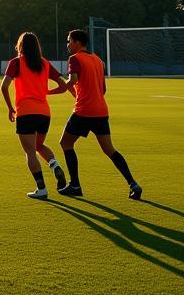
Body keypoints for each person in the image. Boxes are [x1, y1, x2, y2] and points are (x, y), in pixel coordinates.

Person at [57, 29, 142, 200]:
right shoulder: (97, 60)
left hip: (83, 111)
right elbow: (103, 89)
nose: (67, 44)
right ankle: (133, 184)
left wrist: (60, 87)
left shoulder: (74, 59)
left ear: (77, 42)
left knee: (65, 143)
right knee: (109, 149)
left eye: (69, 41)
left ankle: (75, 185)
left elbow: (72, 80)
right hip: (101, 111)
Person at [0, 31, 70, 199]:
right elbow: (64, 85)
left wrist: (10, 108)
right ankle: (55, 166)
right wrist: (47, 93)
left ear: (20, 46)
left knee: (30, 152)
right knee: (39, 146)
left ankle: (42, 189)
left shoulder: (16, 63)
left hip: (25, 112)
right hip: (44, 113)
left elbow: (4, 86)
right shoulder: (44, 63)